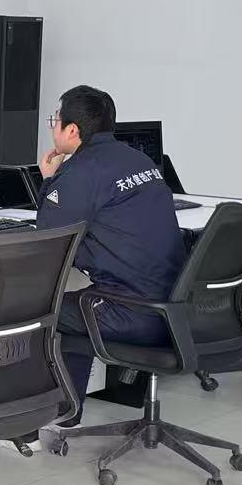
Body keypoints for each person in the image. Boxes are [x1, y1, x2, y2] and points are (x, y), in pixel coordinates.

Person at [36, 85, 187, 409]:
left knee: (36, 311)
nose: (53, 128)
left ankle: (51, 416)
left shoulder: (81, 172)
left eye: (55, 121)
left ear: (72, 130)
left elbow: (48, 241)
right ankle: (66, 410)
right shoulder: (139, 160)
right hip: (173, 307)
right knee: (70, 299)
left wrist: (49, 179)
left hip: (131, 312)